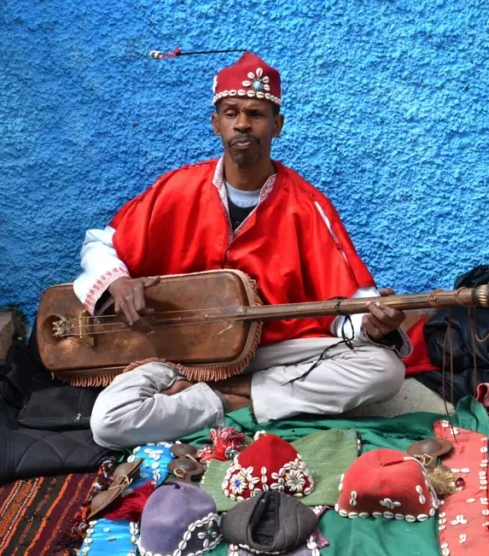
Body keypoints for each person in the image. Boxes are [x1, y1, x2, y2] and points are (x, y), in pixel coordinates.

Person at [74, 52, 411, 450]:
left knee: (384, 369)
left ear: (277, 125)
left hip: (271, 352)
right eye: (231, 113)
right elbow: (99, 244)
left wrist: (372, 326)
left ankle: (231, 394)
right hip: (177, 352)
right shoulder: (177, 189)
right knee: (110, 422)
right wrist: (118, 282)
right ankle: (246, 402)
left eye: (256, 113)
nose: (243, 124)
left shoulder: (305, 204)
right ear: (215, 123)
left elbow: (348, 304)